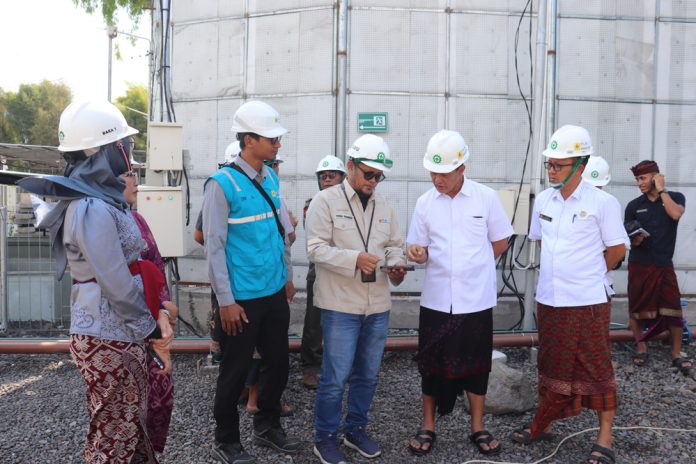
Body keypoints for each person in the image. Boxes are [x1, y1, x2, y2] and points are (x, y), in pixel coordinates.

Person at [19, 100, 173, 464]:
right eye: (125, 145)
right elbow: (114, 278)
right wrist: (149, 328)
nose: (128, 155)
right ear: (108, 150)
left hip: (116, 332)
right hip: (110, 335)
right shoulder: (91, 207)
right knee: (114, 437)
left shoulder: (97, 201)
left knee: (126, 428)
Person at [511, 125, 628, 464]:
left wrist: (588, 274)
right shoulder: (544, 200)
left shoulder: (602, 203)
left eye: (559, 165)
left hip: (588, 301)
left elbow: (617, 250)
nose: (551, 170)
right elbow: (542, 243)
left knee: (596, 367)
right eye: (549, 164)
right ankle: (544, 422)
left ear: (580, 165)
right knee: (550, 363)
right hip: (550, 299)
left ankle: (605, 436)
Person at [203, 100, 301, 464]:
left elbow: (281, 234)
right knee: (235, 372)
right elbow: (213, 247)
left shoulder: (270, 178)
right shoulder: (221, 185)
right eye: (271, 138)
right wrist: (226, 301)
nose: (278, 143)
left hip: (273, 293)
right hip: (240, 300)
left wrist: (287, 277)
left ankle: (267, 426)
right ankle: (226, 440)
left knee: (279, 364)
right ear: (248, 140)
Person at [405, 130, 513, 457]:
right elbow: (419, 247)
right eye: (432, 172)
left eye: (444, 173)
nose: (437, 179)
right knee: (430, 363)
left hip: (475, 299)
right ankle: (428, 424)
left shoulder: (486, 198)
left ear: (462, 168)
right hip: (437, 299)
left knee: (477, 365)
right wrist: (418, 254)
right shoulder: (425, 203)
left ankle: (477, 426)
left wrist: (474, 267)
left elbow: (500, 241)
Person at [306, 134, 407, 464]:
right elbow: (315, 249)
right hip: (340, 306)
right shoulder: (325, 201)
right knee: (335, 378)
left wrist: (396, 265)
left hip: (377, 305)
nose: (374, 181)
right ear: (350, 167)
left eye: (379, 176)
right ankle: (324, 437)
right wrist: (355, 259)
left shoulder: (385, 206)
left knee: (368, 375)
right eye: (369, 174)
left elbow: (393, 245)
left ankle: (355, 430)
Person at [122, 160, 179, 454]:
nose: (135, 180)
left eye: (135, 173)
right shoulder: (96, 221)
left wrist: (163, 309)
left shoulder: (138, 219)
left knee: (160, 397)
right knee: (126, 408)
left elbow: (156, 264)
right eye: (128, 174)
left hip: (154, 322)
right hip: (123, 326)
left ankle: (147, 454)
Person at [624, 160, 689, 374]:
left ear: (656, 177)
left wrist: (662, 191)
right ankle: (641, 348)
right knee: (637, 307)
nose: (639, 183)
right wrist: (636, 240)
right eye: (637, 179)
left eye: (643, 178)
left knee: (673, 307)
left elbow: (675, 214)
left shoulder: (675, 197)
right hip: (639, 264)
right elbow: (627, 235)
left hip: (663, 264)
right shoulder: (634, 206)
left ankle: (676, 353)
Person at [301, 155, 347, 389]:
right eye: (323, 176)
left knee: (345, 320)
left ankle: (340, 364)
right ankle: (311, 367)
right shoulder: (312, 204)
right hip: (319, 271)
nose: (327, 179)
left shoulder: (353, 204)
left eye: (332, 175)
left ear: (342, 178)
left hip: (347, 270)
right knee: (314, 321)